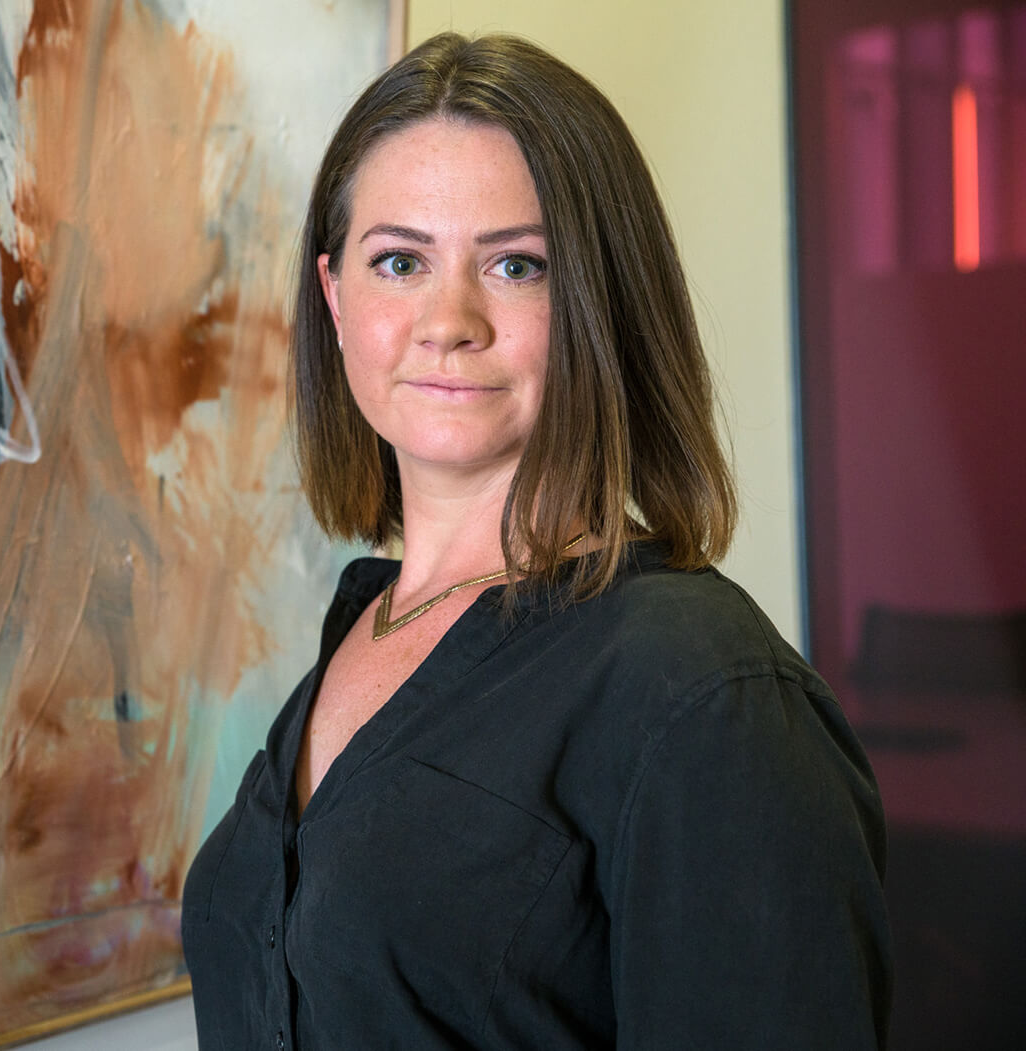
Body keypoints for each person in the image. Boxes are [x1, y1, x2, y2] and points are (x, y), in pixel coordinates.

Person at [180, 31, 891, 1050]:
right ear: (336, 299)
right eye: (399, 261)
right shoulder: (359, 633)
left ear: (603, 301)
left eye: (516, 265)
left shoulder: (701, 693)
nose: (449, 319)